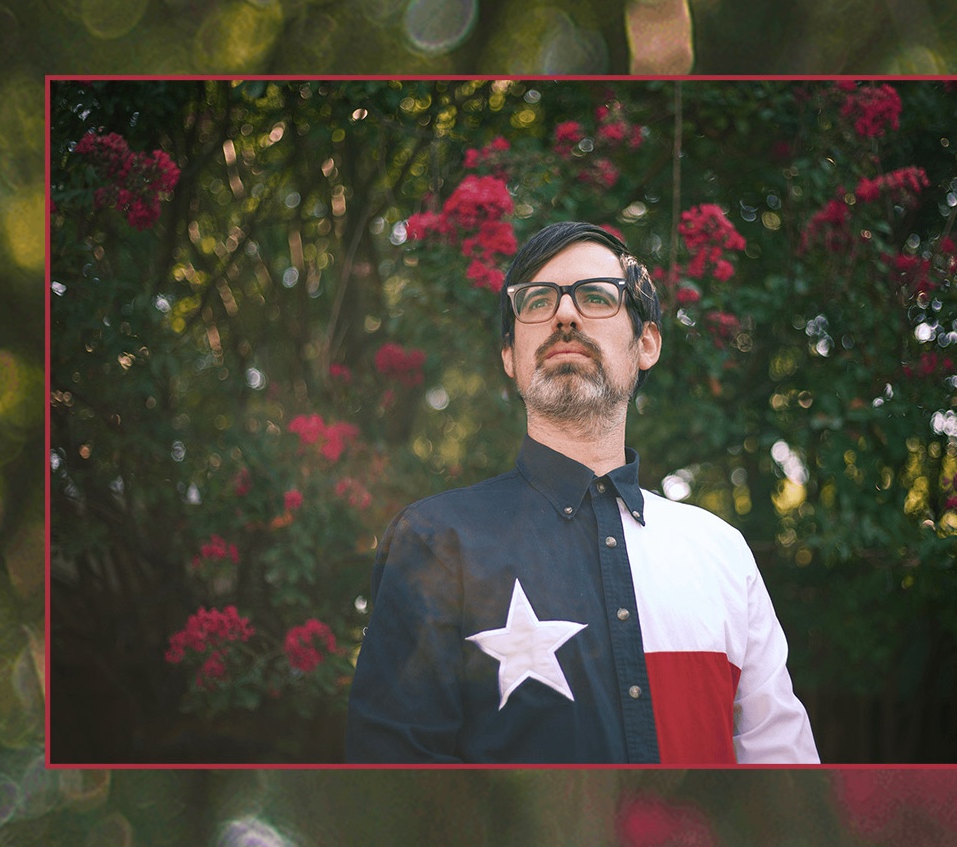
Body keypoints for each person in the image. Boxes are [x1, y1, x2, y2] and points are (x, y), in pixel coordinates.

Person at [345, 221, 818, 764]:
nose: (565, 314)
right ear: (510, 357)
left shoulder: (722, 553)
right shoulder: (435, 541)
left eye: (596, 297)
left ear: (646, 344)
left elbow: (785, 777)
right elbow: (395, 796)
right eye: (538, 301)